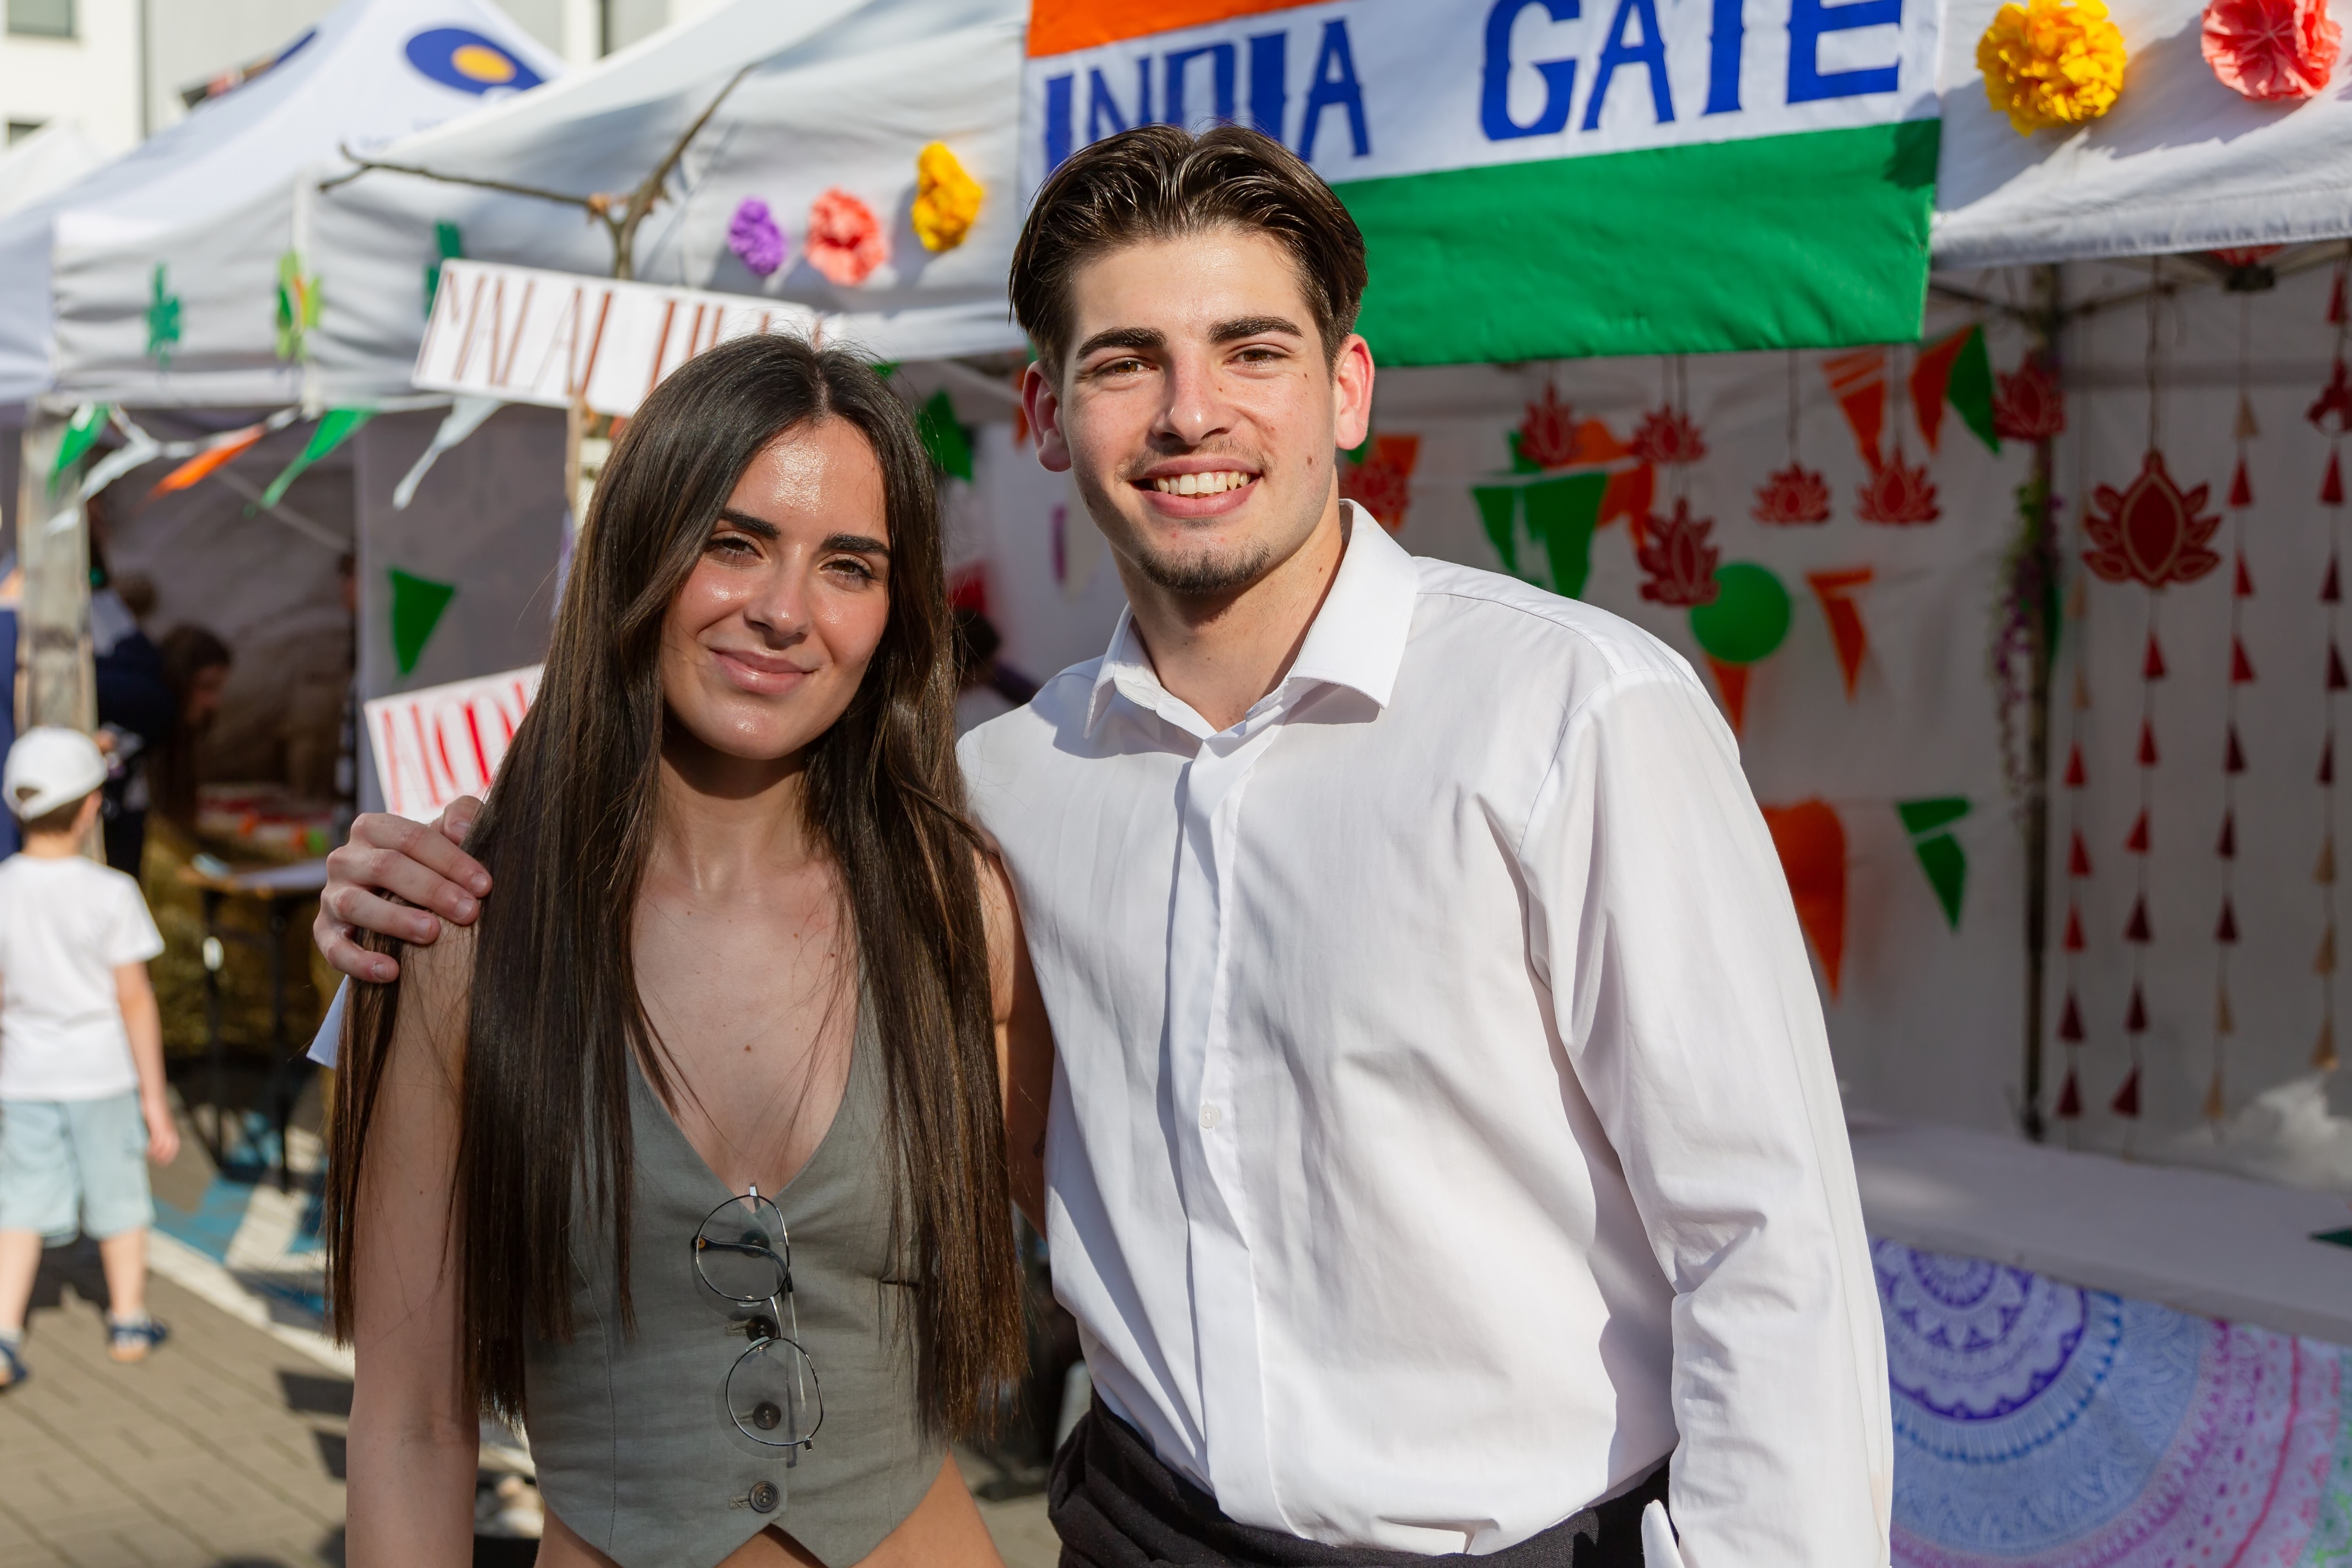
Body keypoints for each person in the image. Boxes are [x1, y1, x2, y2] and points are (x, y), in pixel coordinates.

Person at [317, 127, 1891, 1567]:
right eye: (1128, 361)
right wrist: (433, 879)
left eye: (1252, 350)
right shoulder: (1006, 792)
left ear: (1347, 388)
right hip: (1137, 1531)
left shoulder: (1575, 713)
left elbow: (1770, 1241)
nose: (1191, 411)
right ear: (1045, 416)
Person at [320, 335, 1036, 1568]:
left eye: (848, 565)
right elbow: (410, 1427)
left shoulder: (957, 905)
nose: (783, 610)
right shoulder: (464, 934)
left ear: (895, 613)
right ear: (639, 550)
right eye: (733, 541)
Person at [0, 727, 178, 1389]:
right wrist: (155, 1100)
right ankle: (128, 1320)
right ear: (90, 808)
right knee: (120, 1198)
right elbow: (135, 1000)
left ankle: (4, 1332)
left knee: (19, 1203)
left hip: (24, 1076)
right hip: (102, 1075)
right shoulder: (113, 892)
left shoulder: (3, 889)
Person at [150, 623, 233, 830]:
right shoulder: (146, 742)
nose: (213, 703)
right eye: (205, 687)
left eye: (217, 689)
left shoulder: (182, 744)